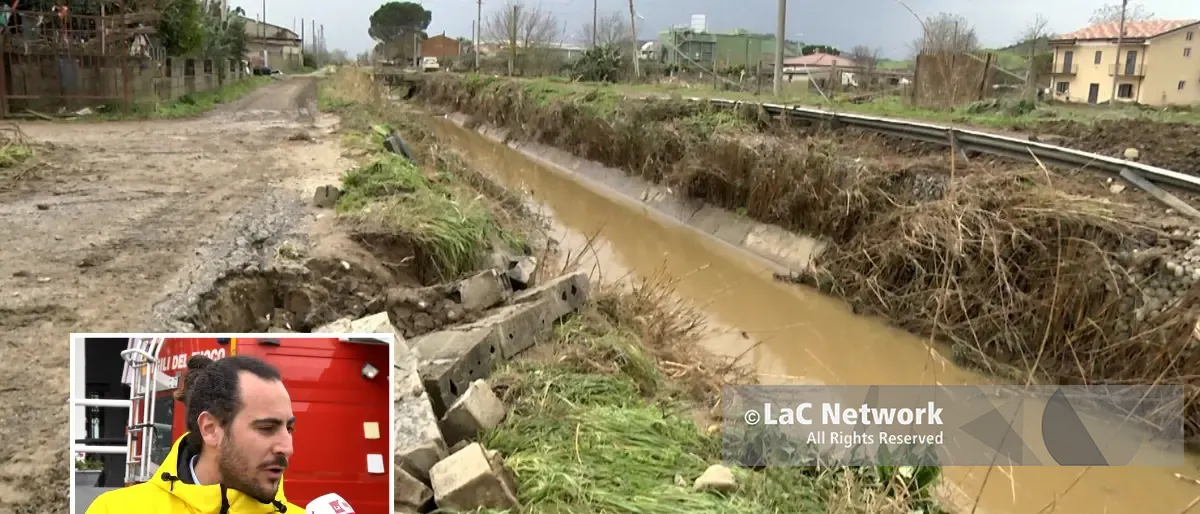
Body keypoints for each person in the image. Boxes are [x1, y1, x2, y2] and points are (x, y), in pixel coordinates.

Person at [86, 355, 303, 514]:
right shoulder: (115, 510)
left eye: (289, 428)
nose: (287, 448)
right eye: (267, 428)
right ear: (210, 429)